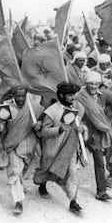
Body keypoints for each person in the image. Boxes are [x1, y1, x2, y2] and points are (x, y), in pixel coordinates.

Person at [33, 82, 84, 214]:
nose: (73, 98)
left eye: (74, 95)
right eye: (70, 95)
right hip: (53, 148)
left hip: (70, 147)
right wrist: (59, 129)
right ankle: (42, 185)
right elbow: (44, 132)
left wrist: (81, 128)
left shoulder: (77, 108)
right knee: (47, 169)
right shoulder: (52, 111)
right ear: (62, 95)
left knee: (72, 173)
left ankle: (73, 201)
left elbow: (81, 125)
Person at [0, 85, 43, 215]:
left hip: (29, 146)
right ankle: (18, 202)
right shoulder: (7, 108)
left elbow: (42, 124)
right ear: (13, 96)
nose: (21, 98)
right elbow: (1, 125)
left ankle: (19, 187)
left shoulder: (34, 107)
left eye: (23, 95)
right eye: (18, 96)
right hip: (13, 145)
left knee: (22, 171)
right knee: (15, 172)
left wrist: (38, 125)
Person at [75, 71, 112, 201]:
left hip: (97, 133)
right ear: (86, 84)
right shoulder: (79, 97)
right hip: (82, 132)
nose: (93, 87)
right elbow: (76, 115)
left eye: (96, 84)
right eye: (90, 84)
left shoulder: (102, 97)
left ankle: (101, 191)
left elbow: (110, 107)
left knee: (100, 161)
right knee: (72, 161)